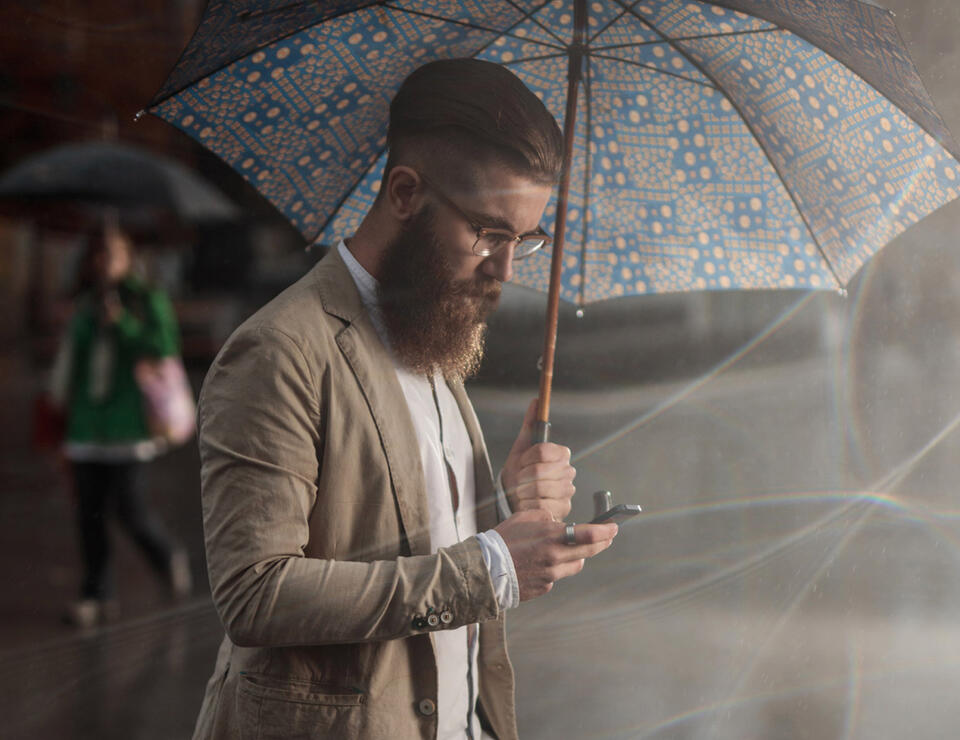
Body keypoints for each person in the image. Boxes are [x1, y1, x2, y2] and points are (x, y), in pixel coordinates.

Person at [191, 59, 618, 740]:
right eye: (489, 233)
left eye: (526, 239)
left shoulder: (430, 330)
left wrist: (508, 508)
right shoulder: (279, 349)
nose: (506, 270)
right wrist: (492, 567)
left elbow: (413, 534)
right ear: (404, 192)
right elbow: (256, 593)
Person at [50, 219, 192, 628]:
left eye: (111, 252)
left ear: (128, 257)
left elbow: (164, 346)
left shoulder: (145, 300)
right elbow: (72, 365)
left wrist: (123, 325)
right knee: (88, 515)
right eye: (97, 253)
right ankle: (96, 594)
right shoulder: (83, 303)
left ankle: (166, 556)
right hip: (85, 426)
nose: (103, 261)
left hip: (128, 426)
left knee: (131, 510)